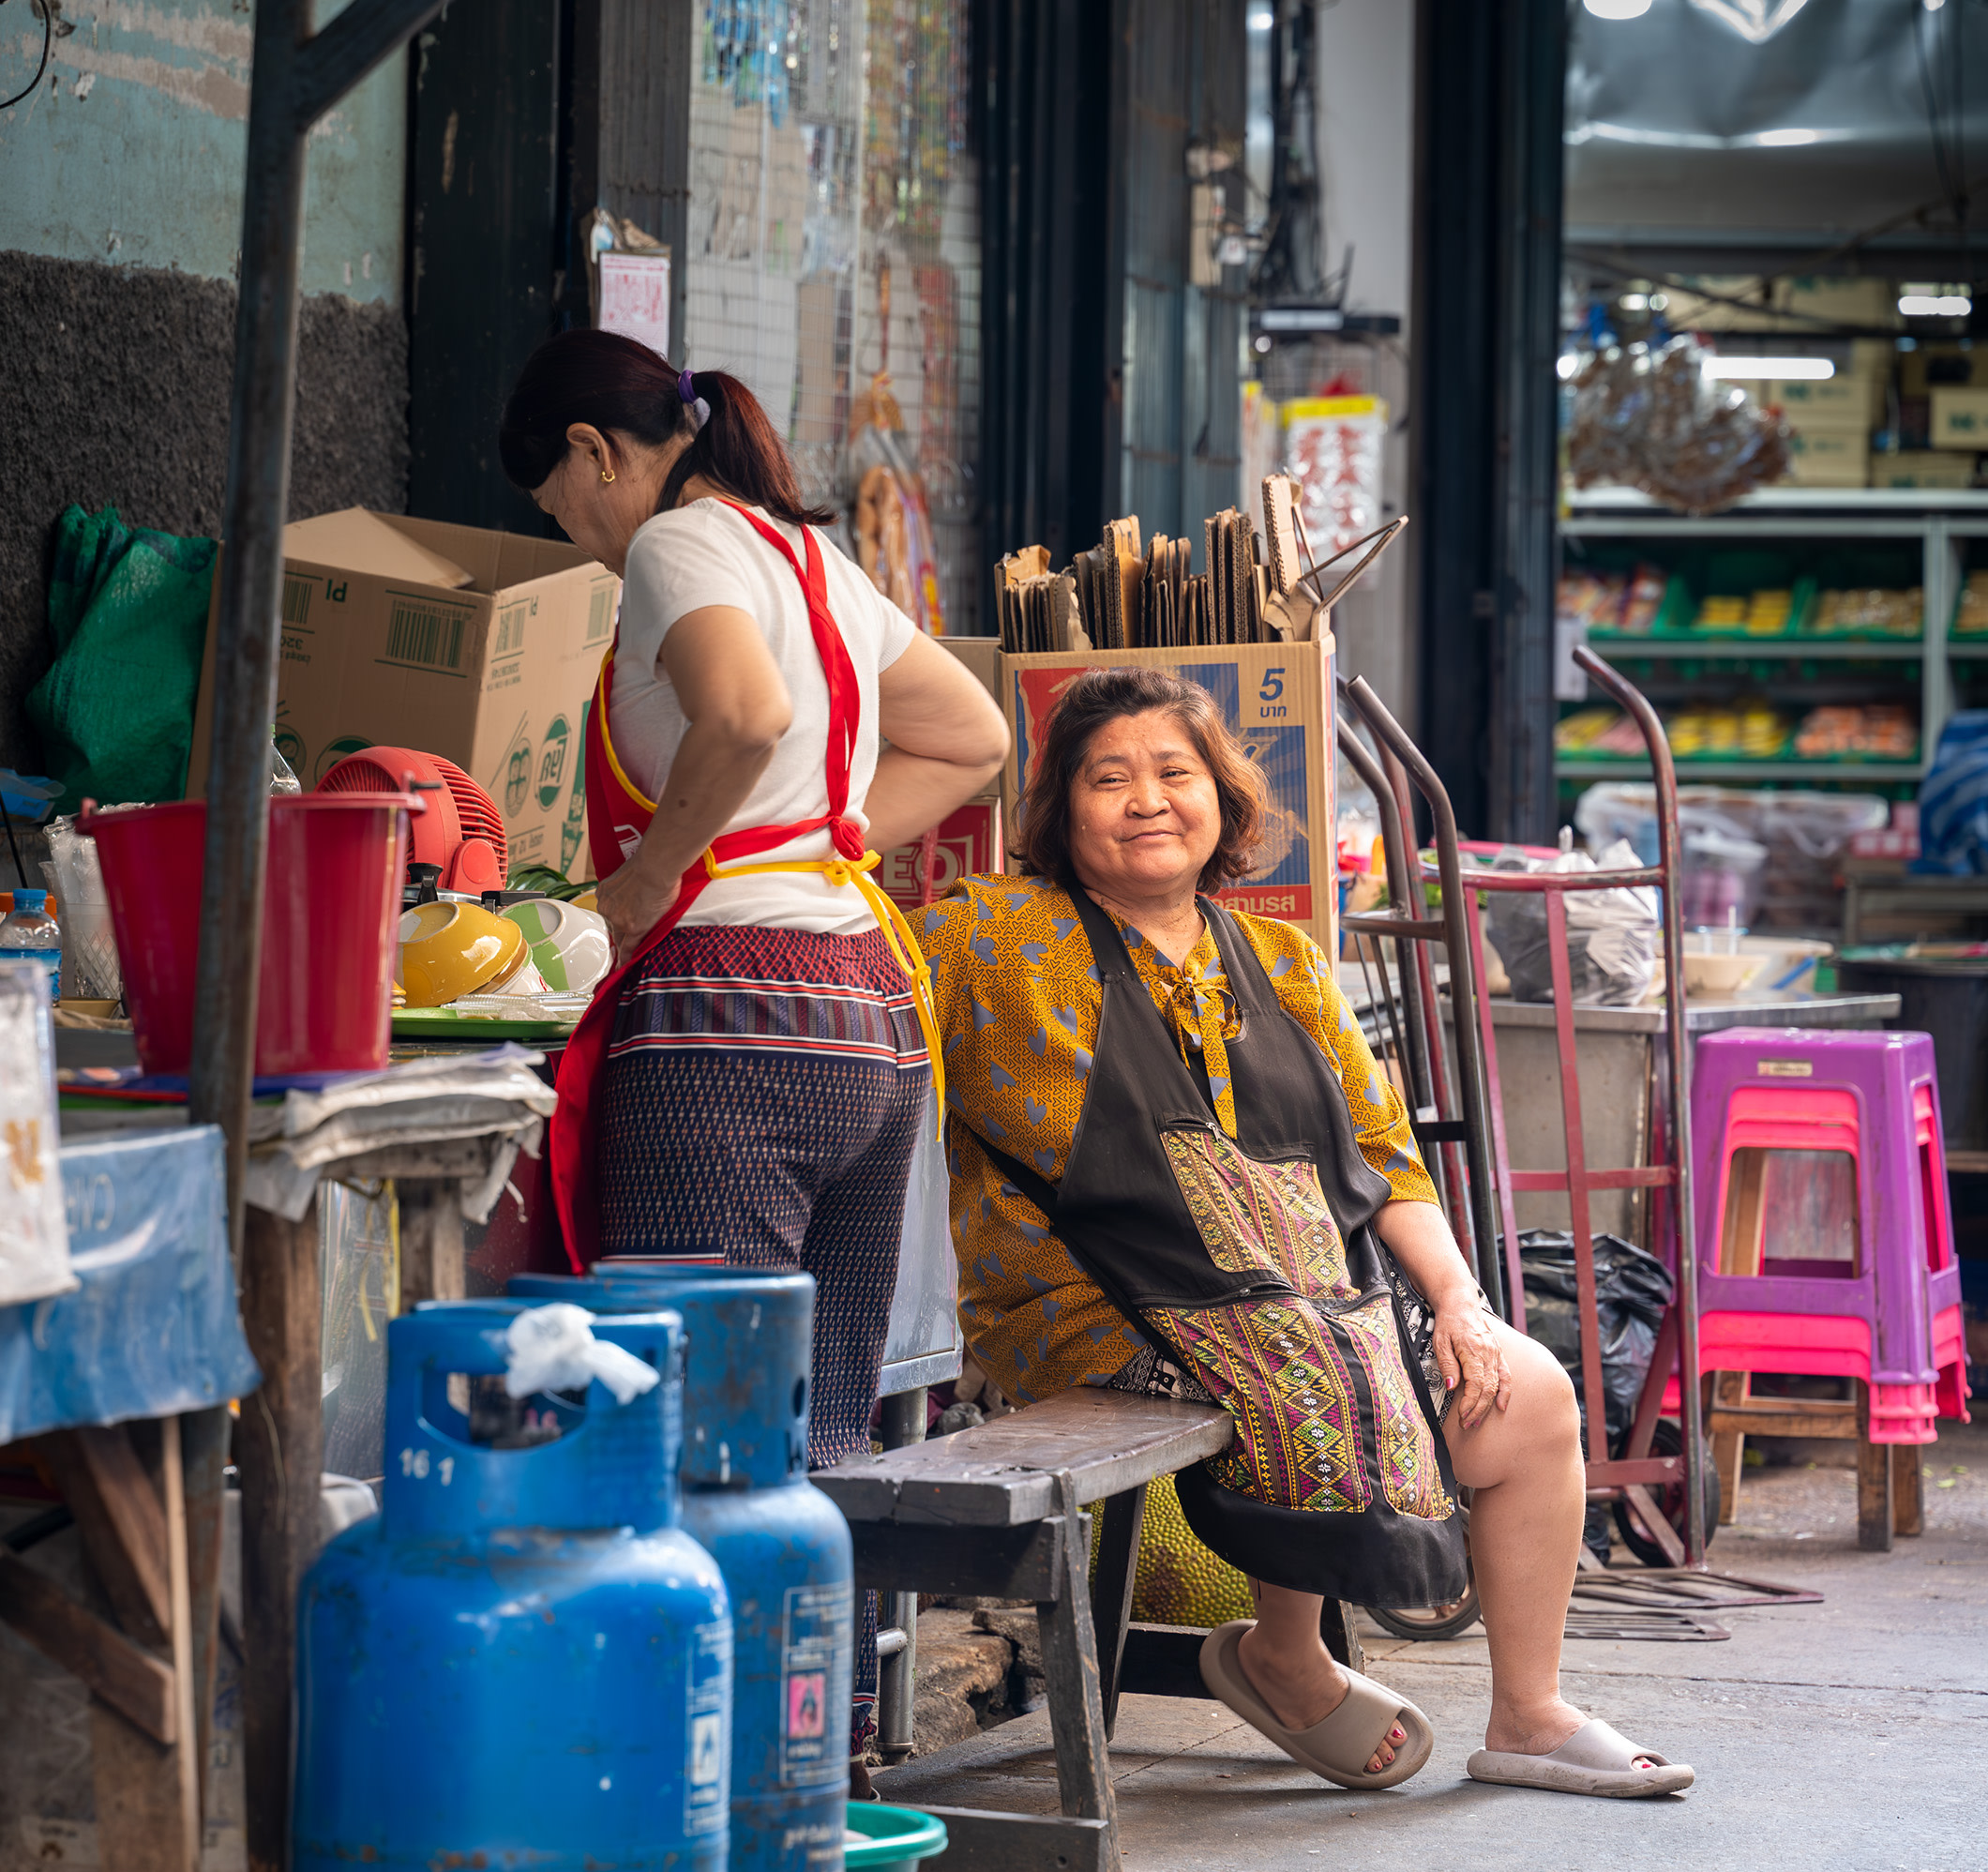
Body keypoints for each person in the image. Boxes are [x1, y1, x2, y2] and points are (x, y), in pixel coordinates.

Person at [910, 665, 1694, 1799]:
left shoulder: (1281, 960)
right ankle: (1287, 1651)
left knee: (1524, 1389)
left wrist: (1462, 1306)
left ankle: (1526, 1715)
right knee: (1307, 1367)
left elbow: (1383, 1156)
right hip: (1087, 1300)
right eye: (1108, 778)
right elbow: (862, 966)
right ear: (1058, 809)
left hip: (1306, 1293)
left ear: (1222, 797)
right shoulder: (989, 939)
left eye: (1174, 772)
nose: (1146, 799)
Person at [497, 329, 1009, 1771]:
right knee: (819, 1431)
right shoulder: (808, 558)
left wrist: (661, 872)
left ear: (598, 454)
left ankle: (694, 1777)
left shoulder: (678, 545)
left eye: (561, 508)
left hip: (731, 1011)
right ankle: (816, 1759)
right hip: (866, 1013)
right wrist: (820, 842)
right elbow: (967, 736)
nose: (581, 543)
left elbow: (745, 713)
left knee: (692, 1417)